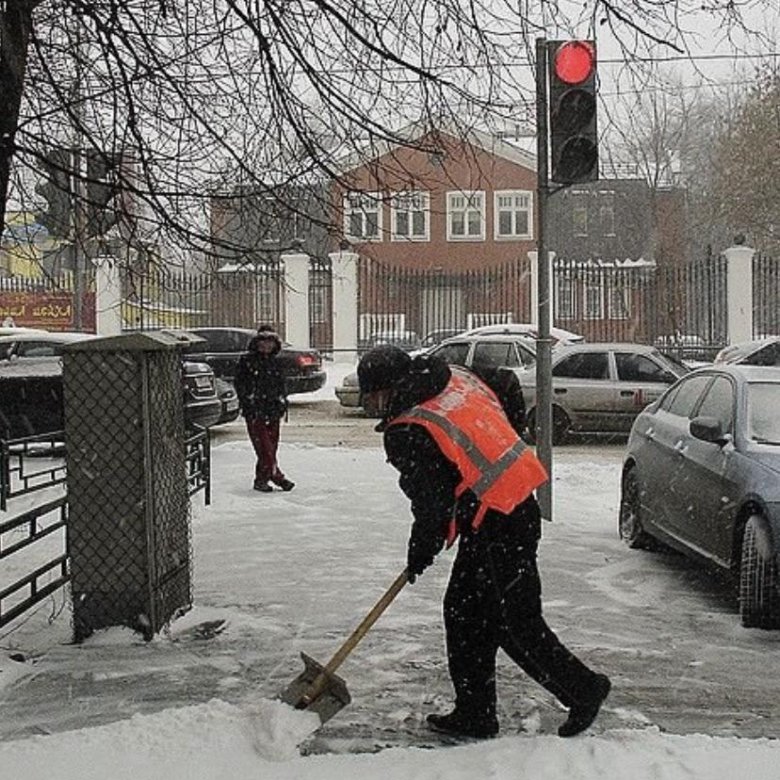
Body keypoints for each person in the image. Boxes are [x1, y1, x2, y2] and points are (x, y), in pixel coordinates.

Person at [357, 344, 610, 740]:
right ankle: (476, 712)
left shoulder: (409, 429)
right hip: (512, 507)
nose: (372, 404)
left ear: (388, 388)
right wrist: (504, 437)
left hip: (499, 524)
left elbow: (432, 506)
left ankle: (582, 690)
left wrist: (420, 550)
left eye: (372, 396)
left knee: (512, 621)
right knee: (466, 615)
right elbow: (505, 382)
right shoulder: (453, 377)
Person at [234, 326, 295, 493]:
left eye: (270, 342)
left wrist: (282, 401)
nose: (266, 345)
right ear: (257, 343)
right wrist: (248, 401)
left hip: (273, 410)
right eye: (263, 341)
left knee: (271, 447)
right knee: (264, 448)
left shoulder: (276, 362)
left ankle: (262, 479)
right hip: (255, 411)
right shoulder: (247, 361)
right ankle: (277, 477)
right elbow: (240, 384)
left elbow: (281, 385)